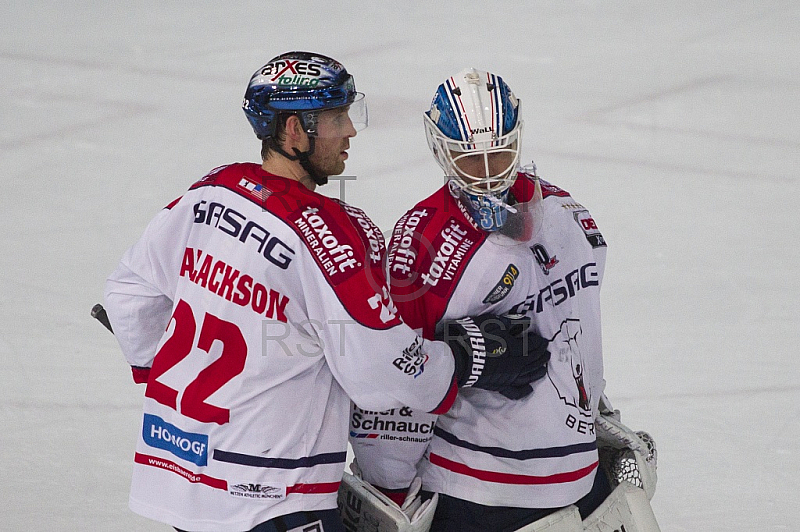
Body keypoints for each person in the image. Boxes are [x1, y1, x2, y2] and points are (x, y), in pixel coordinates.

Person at [103, 53, 551, 532]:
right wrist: (470, 357)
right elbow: (381, 372)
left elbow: (129, 296)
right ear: (294, 130)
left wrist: (174, 385)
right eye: (337, 118)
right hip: (270, 497)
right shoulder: (327, 234)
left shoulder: (210, 193)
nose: (350, 132)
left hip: (176, 481)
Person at [349, 68, 623, 531]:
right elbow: (401, 371)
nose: (490, 171)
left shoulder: (565, 212)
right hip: (483, 487)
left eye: (499, 153)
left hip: (565, 474)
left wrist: (594, 409)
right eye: (469, 158)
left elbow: (575, 327)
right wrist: (390, 482)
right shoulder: (423, 241)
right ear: (440, 147)